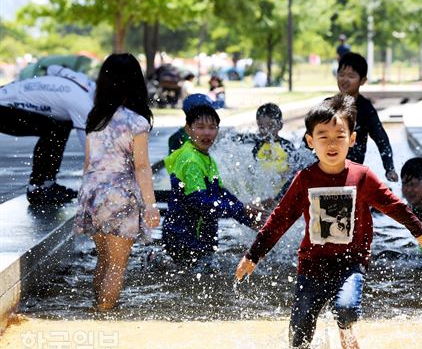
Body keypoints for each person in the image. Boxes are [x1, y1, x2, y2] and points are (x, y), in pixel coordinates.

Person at [235, 94, 422, 349]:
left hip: (350, 262)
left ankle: (347, 330)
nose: (332, 144)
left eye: (339, 136)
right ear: (310, 141)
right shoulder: (305, 179)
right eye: (323, 137)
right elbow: (280, 219)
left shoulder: (361, 176)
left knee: (346, 308)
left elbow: (392, 204)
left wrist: (418, 228)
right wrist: (254, 255)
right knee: (299, 335)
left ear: (352, 140)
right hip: (312, 264)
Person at [74, 53, 160, 311]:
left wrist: (84, 198)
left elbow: (88, 163)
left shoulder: (95, 117)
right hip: (120, 195)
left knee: (103, 259)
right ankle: (105, 314)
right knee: (117, 263)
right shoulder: (137, 121)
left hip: (92, 193)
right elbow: (142, 167)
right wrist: (151, 205)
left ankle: (97, 308)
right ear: (136, 82)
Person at [162, 103, 264, 264]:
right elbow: (200, 202)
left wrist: (247, 217)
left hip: (199, 235)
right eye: (200, 127)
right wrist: (241, 209)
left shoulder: (205, 157)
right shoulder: (191, 160)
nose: (207, 133)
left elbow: (220, 193)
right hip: (185, 237)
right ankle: (156, 262)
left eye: (212, 127)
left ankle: (157, 262)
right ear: (188, 129)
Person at [0, 65, 95, 205]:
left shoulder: (83, 80)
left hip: (9, 93)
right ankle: (36, 188)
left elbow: (52, 68)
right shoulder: (83, 103)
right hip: (4, 107)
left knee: (61, 124)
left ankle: (48, 184)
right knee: (53, 129)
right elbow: (89, 149)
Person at [337, 52, 399, 182]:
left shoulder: (365, 109)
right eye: (341, 75)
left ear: (363, 80)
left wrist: (389, 168)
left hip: (352, 173)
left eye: (351, 76)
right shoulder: (328, 105)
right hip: (327, 169)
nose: (344, 79)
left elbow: (381, 138)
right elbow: (309, 136)